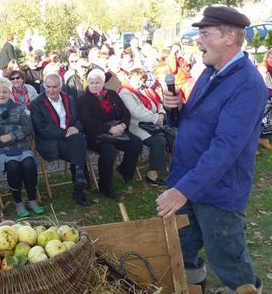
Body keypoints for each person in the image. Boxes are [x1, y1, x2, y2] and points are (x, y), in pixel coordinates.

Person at [156, 6, 267, 294]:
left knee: (229, 258)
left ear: (229, 36)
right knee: (183, 248)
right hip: (188, 181)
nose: (198, 41)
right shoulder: (210, 72)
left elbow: (225, 148)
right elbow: (196, 120)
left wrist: (183, 191)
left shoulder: (247, 84)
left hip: (218, 190)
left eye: (205, 34)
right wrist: (176, 109)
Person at [0, 77, 44, 217]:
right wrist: (16, 127)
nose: (1, 94)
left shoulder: (17, 107)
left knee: (29, 164)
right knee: (13, 165)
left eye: (5, 91)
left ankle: (33, 200)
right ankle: (18, 203)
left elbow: (28, 127)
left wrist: (11, 135)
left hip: (20, 145)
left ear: (9, 92)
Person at [78, 69, 142, 197]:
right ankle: (105, 186)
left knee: (136, 142)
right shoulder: (84, 99)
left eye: (97, 82)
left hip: (118, 130)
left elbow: (125, 112)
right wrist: (109, 129)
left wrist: (123, 125)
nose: (94, 85)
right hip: (97, 135)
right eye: (91, 83)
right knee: (109, 151)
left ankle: (125, 170)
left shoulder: (112, 94)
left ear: (103, 83)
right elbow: (87, 122)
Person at [30, 74, 91, 206]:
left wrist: (75, 127)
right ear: (44, 86)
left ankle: (79, 183)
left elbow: (78, 118)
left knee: (77, 141)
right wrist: (65, 133)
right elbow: (42, 129)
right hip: (49, 141)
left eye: (55, 87)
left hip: (71, 138)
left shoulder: (68, 99)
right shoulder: (37, 104)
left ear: (61, 86)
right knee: (77, 147)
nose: (51, 90)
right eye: (48, 87)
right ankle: (79, 184)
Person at [119, 68, 172, 185]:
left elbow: (157, 103)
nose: (140, 82)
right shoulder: (125, 92)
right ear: (130, 78)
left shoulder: (143, 91)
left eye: (142, 79)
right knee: (159, 140)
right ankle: (152, 175)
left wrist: (162, 114)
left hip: (152, 124)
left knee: (172, 135)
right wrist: (155, 118)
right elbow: (136, 112)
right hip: (137, 126)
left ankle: (176, 167)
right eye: (137, 79)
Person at [258, 48, 272, 150]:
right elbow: (261, 86)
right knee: (271, 107)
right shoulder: (262, 70)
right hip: (264, 95)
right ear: (267, 58)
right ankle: (263, 137)